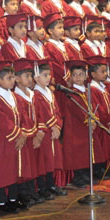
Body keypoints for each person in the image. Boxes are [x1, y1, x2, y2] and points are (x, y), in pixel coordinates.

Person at [0, 60, 27, 213]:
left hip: (14, 138)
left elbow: (23, 116)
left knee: (13, 169)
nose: (13, 80)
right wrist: (19, 134)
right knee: (2, 171)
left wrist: (23, 133)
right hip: (1, 140)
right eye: (9, 78)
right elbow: (3, 121)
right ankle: (2, 202)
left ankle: (13, 199)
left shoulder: (14, 97)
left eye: (13, 77)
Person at [60, 59, 100, 187]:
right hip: (76, 127)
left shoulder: (88, 91)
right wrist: (89, 120)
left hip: (88, 125)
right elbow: (77, 109)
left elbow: (95, 105)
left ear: (86, 75)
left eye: (81, 74)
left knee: (87, 151)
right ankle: (78, 177)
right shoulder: (71, 93)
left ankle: (86, 174)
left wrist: (95, 119)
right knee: (78, 152)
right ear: (71, 77)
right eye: (75, 75)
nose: (78, 78)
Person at [31, 58, 67, 198]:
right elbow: (42, 113)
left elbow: (57, 111)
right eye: (45, 75)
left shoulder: (49, 92)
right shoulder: (36, 94)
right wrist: (53, 127)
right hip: (45, 132)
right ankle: (42, 186)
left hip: (53, 132)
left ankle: (51, 184)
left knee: (53, 159)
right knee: (44, 160)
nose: (49, 77)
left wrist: (58, 127)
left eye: (49, 74)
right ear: (36, 77)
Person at [13, 58, 44, 207]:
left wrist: (40, 132)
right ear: (17, 79)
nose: (30, 79)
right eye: (27, 76)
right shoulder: (16, 97)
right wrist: (33, 134)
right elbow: (22, 119)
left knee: (34, 165)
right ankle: (24, 193)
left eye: (31, 76)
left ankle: (33, 190)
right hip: (25, 136)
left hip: (34, 135)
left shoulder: (32, 95)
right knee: (24, 166)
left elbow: (40, 115)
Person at [42, 13, 69, 86]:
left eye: (63, 28)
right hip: (60, 80)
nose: (62, 30)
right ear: (50, 31)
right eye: (59, 28)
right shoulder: (49, 46)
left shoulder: (64, 44)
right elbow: (56, 65)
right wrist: (68, 76)